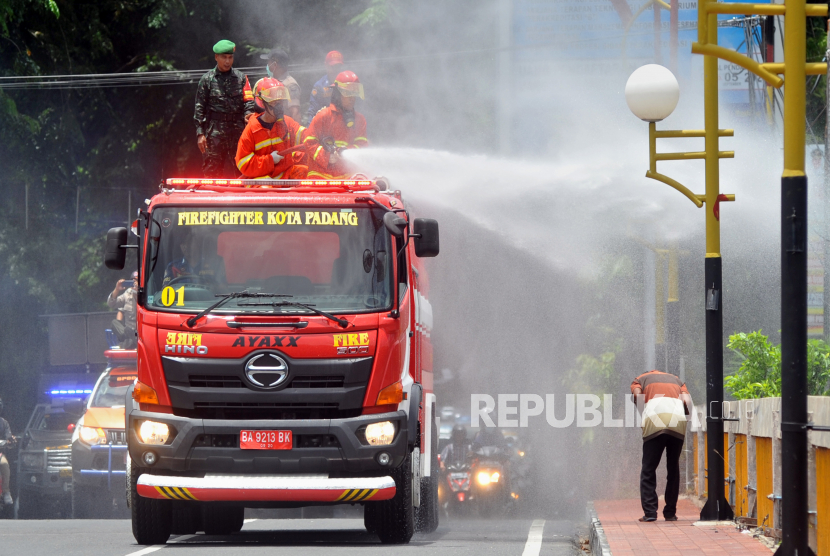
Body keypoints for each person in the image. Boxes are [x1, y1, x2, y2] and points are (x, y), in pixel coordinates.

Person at [631, 369, 692, 522]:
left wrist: (643, 414)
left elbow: (638, 396)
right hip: (678, 422)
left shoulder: (639, 379)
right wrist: (684, 420)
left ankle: (650, 513)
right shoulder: (677, 380)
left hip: (654, 422)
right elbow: (687, 402)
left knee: (648, 469)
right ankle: (670, 513)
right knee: (673, 468)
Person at [194, 39, 256, 178]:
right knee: (212, 172)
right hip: (215, 131)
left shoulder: (241, 78)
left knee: (243, 170)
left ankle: (243, 199)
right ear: (216, 57)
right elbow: (199, 108)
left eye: (230, 57)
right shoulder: (207, 79)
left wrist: (248, 116)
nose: (227, 61)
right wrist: (200, 133)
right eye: (224, 57)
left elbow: (249, 101)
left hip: (238, 131)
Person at [235, 77, 308, 180]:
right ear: (263, 102)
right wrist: (270, 160)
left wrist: (318, 127)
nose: (278, 106)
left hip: (284, 175)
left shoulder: (287, 122)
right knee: (266, 191)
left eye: (280, 101)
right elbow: (243, 163)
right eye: (274, 102)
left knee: (305, 172)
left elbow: (306, 136)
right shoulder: (252, 129)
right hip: (260, 179)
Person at [303, 70, 368, 179]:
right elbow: (309, 142)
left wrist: (347, 151)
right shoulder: (323, 116)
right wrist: (327, 156)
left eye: (354, 94)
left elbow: (362, 145)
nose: (352, 98)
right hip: (320, 175)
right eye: (348, 94)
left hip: (347, 175)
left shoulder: (360, 120)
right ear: (337, 94)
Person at [303, 50, 345, 125]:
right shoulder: (319, 86)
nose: (336, 70)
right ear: (326, 65)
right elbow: (312, 112)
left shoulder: (347, 84)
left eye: (338, 66)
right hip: (325, 126)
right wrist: (308, 131)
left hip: (344, 125)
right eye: (333, 66)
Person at [261, 48, 302, 122]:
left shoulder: (290, 85)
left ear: (275, 65)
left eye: (269, 62)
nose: (267, 65)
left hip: (284, 128)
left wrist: (293, 132)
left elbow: (295, 113)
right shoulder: (270, 82)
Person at [107, 271, 138, 349]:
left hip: (141, 333)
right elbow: (111, 304)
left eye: (137, 280)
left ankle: (130, 341)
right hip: (128, 332)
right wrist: (117, 289)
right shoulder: (127, 294)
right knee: (114, 323)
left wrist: (137, 292)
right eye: (132, 280)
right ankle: (129, 341)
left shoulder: (147, 293)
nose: (134, 283)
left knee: (130, 334)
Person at [0, 397, 16, 505]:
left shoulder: (3, 423)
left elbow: (8, 437)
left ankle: (6, 491)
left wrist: (11, 441)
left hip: (0, 453)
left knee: (4, 464)